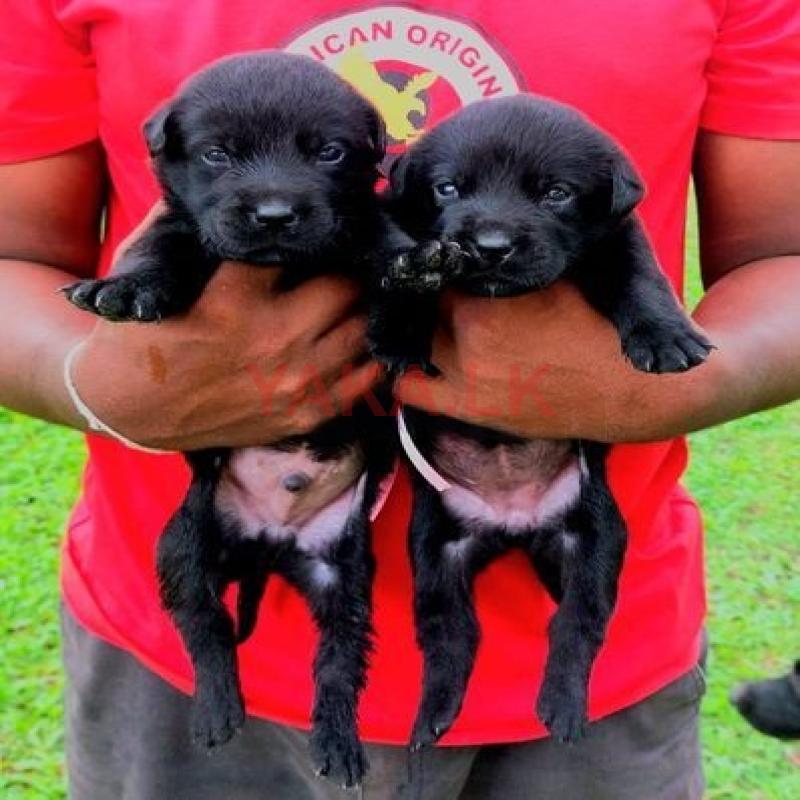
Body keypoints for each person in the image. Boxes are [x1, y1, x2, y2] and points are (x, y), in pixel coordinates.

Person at [1, 2, 798, 798]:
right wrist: (92, 383)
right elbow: (16, 253)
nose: (275, 198)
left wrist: (684, 388)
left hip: (601, 653)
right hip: (169, 642)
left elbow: (783, 253)